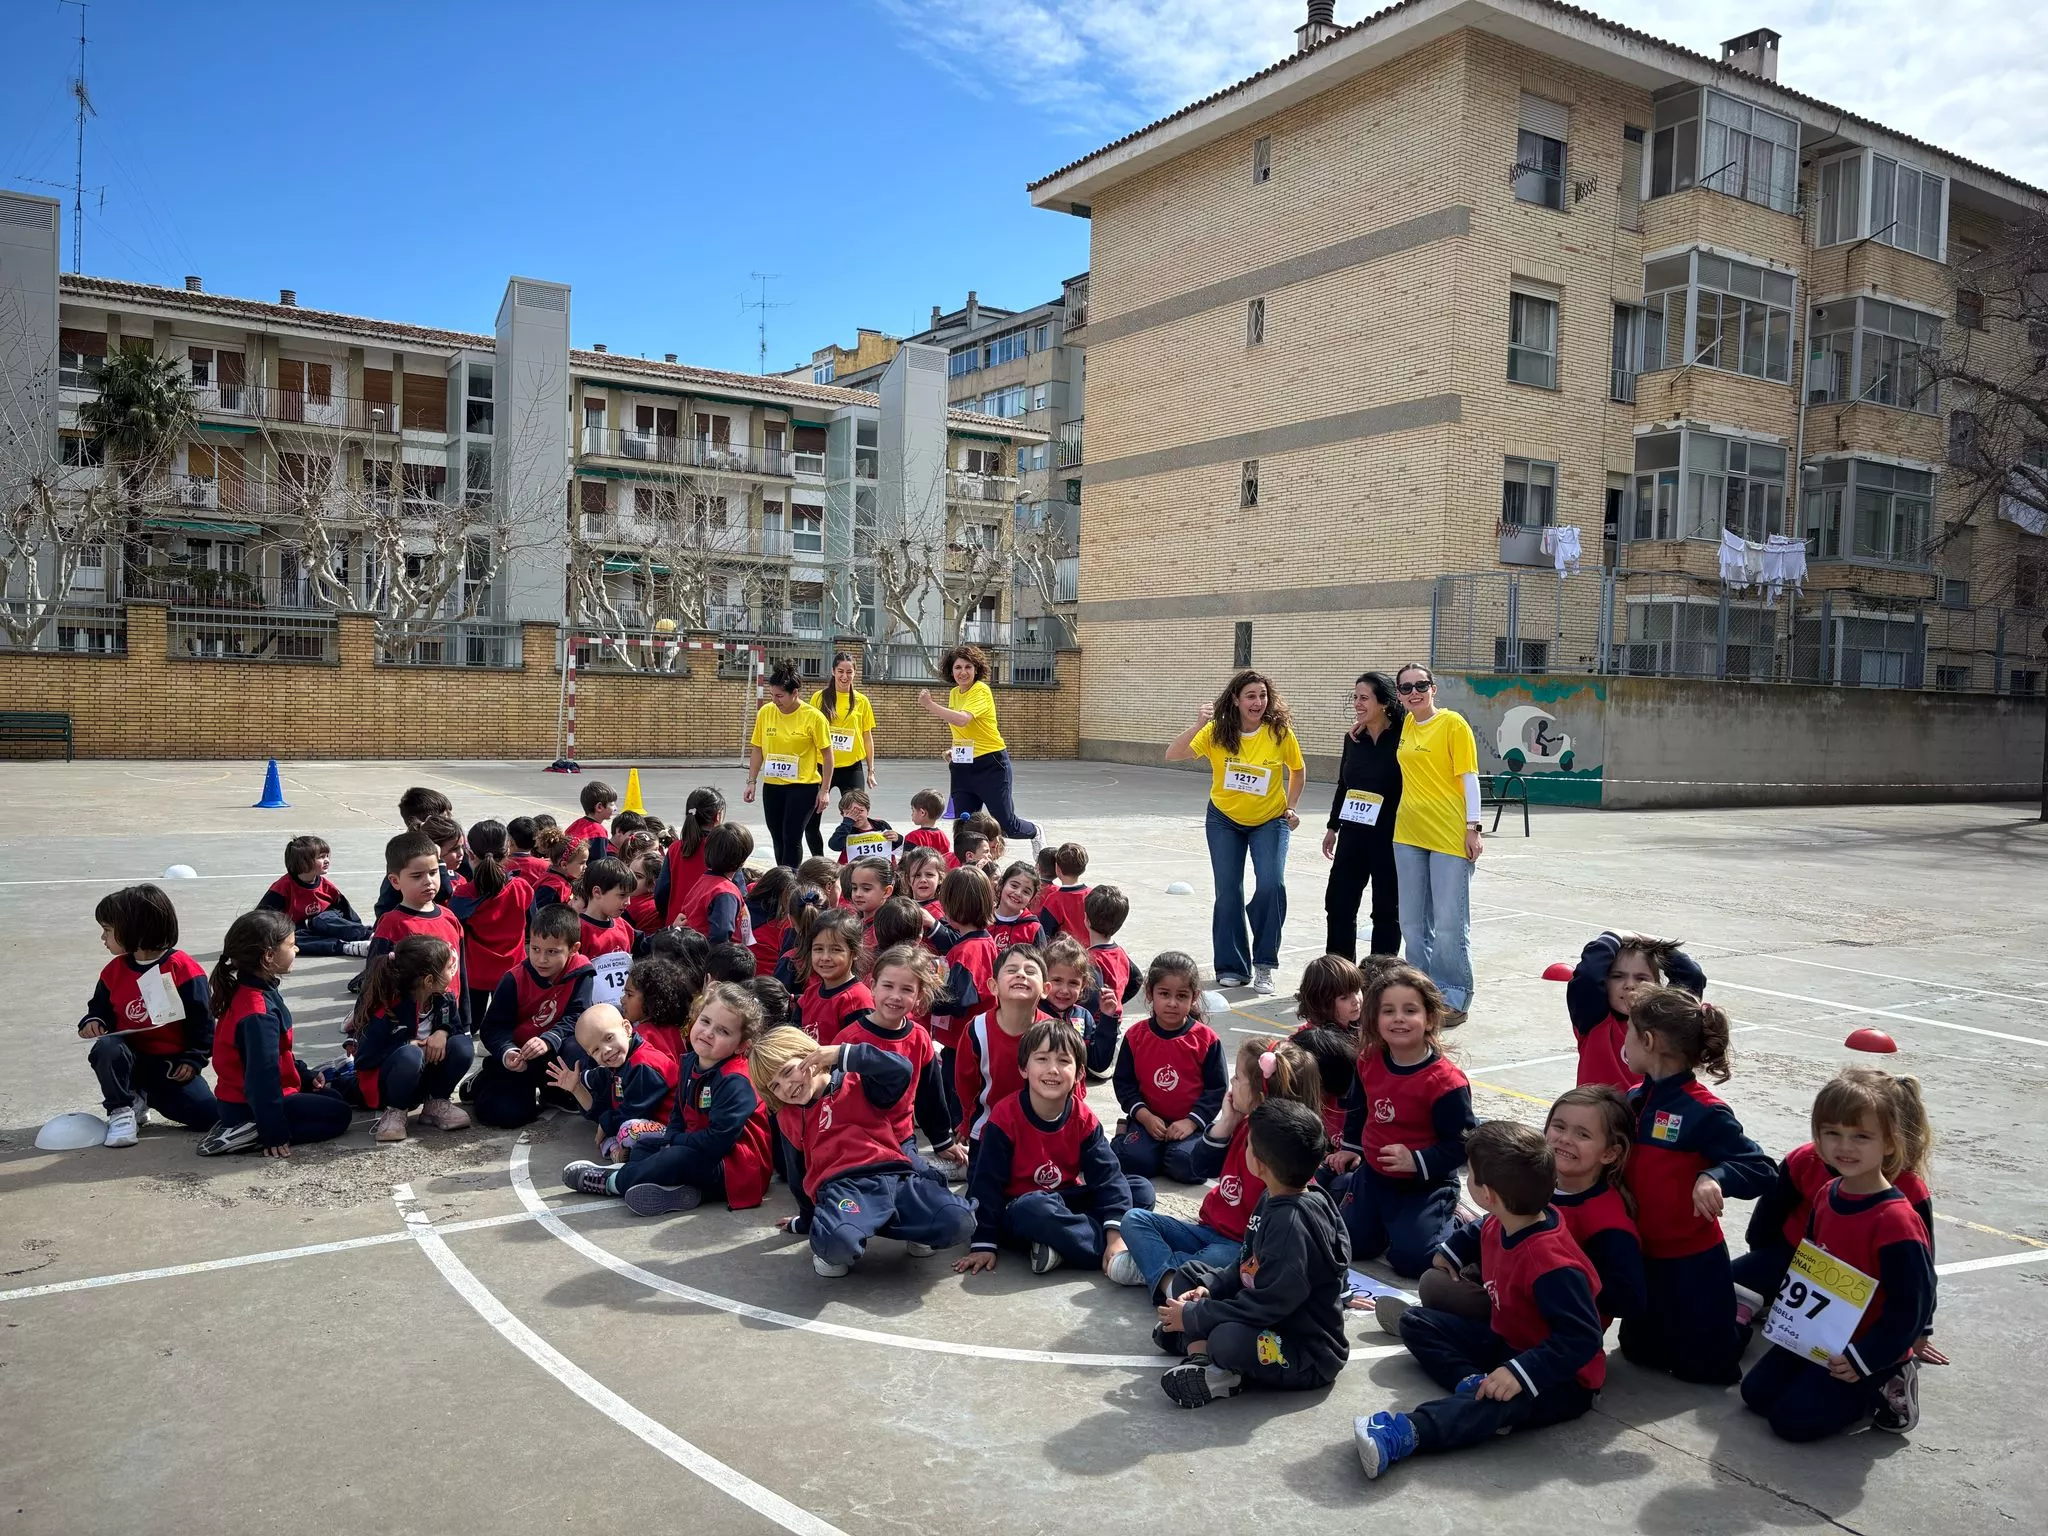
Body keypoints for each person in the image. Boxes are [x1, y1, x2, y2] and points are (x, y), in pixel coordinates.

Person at [1352, 1122, 1605, 1479]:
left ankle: (1408, 1433)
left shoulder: (1551, 1264)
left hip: (1562, 1379)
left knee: (1495, 1404)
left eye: (1468, 1174)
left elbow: (1581, 1339)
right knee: (1417, 1322)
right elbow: (1478, 1229)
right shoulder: (1512, 1217)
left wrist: (1520, 1374)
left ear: (1487, 1194)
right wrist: (1450, 1251)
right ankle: (1473, 1382)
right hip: (1508, 1342)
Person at [1739, 1070, 1937, 1440]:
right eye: (1833, 1133)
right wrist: (1793, 1326)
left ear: (1891, 1143)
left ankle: (1885, 1382)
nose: (1845, 1147)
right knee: (1755, 1395)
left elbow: (1911, 1305)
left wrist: (1867, 1359)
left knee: (1791, 1424)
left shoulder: (1896, 1220)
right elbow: (1811, 1268)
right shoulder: (1827, 1193)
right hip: (1825, 1334)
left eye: (1861, 1137)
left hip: (1865, 1347)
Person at [1377, 1083, 1643, 1332]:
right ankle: (1438, 1323)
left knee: (1436, 1290)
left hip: (1550, 1321)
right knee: (1439, 1278)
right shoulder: (1538, 1178)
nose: (1565, 1139)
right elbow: (1496, 1220)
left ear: (1610, 1153)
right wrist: (1453, 1250)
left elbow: (1628, 1298)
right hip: (1507, 1284)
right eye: (1559, 1127)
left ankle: (1437, 1326)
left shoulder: (1607, 1220)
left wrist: (1557, 1289)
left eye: (1582, 1134)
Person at [1618, 985, 1774, 1384]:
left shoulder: (1704, 1110)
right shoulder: (1634, 1100)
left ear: (1648, 1041)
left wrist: (1714, 1175)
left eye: (1629, 1033)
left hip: (1693, 1261)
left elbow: (1760, 1167)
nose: (1624, 1041)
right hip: (1645, 1254)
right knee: (1639, 1353)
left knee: (1707, 1370)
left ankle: (1738, 1311)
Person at [1154, 1099, 1351, 1409]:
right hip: (1269, 1316)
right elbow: (1247, 1261)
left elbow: (1266, 1307)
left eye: (1247, 1144)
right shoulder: (1271, 1197)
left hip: (1305, 1350)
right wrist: (1211, 1289)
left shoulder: (1291, 1226)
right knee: (1190, 1275)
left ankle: (1212, 1362)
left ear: (1259, 1163)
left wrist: (1197, 1315)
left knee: (1227, 1340)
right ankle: (1199, 1349)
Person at [752, 1027, 976, 1277]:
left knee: (959, 1219)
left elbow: (901, 1070)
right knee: (836, 1244)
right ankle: (841, 1234)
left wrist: (842, 1053)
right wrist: (806, 1220)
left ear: (810, 1055)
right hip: (842, 1190)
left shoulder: (858, 1081)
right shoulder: (789, 1115)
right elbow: (797, 1172)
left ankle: (915, 1231)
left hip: (895, 1177)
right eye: (775, 1086)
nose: (786, 1087)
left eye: (786, 1072)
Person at [1114, 1035, 1320, 1295]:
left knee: (1217, 1264)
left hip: (1239, 1248)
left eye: (1237, 1078)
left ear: (1258, 1095)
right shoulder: (1243, 1124)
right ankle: (1169, 1278)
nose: (1231, 1084)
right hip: (1206, 1231)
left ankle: (1163, 1273)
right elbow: (1199, 1167)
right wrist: (1224, 1125)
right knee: (1134, 1220)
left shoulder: (1284, 1151)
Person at [958, 1019, 1151, 1277]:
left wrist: (1115, 1234)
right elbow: (986, 1184)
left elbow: (1108, 1177)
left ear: (1080, 1074)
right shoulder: (1004, 1118)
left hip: (1065, 1199)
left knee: (1140, 1189)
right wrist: (983, 1242)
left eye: (1063, 1061)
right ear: (1024, 1068)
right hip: (1020, 1208)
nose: (1052, 1070)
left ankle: (1065, 1246)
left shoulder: (1083, 1118)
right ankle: (1104, 1249)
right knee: (1034, 1209)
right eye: (1042, 1059)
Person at [563, 983, 775, 1215]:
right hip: (700, 1153)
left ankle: (613, 1182)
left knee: (674, 1157)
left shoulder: (735, 1080)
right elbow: (678, 1115)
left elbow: (717, 1142)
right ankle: (677, 1190)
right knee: (645, 1146)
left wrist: (675, 1142)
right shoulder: (691, 1061)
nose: (708, 1033)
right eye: (705, 1021)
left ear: (742, 1045)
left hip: (736, 1170)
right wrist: (672, 1138)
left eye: (723, 1031)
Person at [1326, 963, 1475, 1277]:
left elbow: (1461, 1145)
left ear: (1430, 1018)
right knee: (1350, 1245)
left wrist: (1416, 1160)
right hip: (1375, 1175)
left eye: (1410, 1010)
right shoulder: (1368, 1060)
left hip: (1426, 1183)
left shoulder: (1445, 1083)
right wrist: (1353, 1148)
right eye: (1388, 1011)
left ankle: (1457, 1217)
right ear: (1375, 1018)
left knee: (1414, 1261)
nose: (1398, 1018)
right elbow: (1360, 1107)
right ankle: (1380, 1216)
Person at [1165, 668, 1305, 995]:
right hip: (1224, 820)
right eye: (1251, 696)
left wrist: (1292, 806)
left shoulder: (1279, 732)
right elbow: (1173, 753)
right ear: (1236, 700)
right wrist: (1200, 724)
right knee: (1228, 892)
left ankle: (1265, 964)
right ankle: (1231, 966)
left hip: (1270, 819)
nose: (1258, 702)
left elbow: (1297, 770)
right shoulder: (1217, 731)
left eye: (1262, 695)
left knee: (1272, 884)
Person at [198, 911, 353, 1157]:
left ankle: (247, 1125)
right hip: (250, 1105)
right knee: (340, 1116)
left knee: (331, 1095)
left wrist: (302, 1073)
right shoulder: (258, 1012)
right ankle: (251, 1132)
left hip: (242, 1099)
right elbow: (262, 1077)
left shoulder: (254, 988)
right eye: (291, 945)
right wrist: (274, 1130)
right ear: (269, 956)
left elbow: (279, 1052)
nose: (297, 950)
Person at [79, 883, 217, 1146]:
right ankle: (122, 1109)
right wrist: (93, 1021)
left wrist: (193, 1059)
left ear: (135, 928)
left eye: (107, 930)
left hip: (168, 1066)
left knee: (207, 1116)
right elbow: (99, 1008)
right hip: (129, 1060)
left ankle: (146, 1096)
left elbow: (203, 1022)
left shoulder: (183, 969)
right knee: (107, 1047)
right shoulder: (113, 971)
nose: (102, 938)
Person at [1388, 664, 1482, 1022]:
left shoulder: (1453, 724)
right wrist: (1364, 723)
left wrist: (1473, 827)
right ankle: (1421, 992)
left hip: (1447, 834)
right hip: (1408, 833)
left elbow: (1469, 778)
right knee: (1412, 922)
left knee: (1448, 922)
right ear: (1399, 694)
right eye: (1407, 688)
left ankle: (1454, 996)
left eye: (1421, 685)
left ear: (1433, 688)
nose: (1415, 692)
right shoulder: (1408, 723)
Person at [473, 905, 597, 1129]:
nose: (541, 959)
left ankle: (555, 1092)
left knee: (581, 1047)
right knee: (507, 1115)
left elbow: (578, 1016)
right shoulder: (514, 979)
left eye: (552, 952)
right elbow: (492, 1028)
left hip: (553, 1050)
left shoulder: (581, 972)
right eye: (536, 948)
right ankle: (484, 1078)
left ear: (573, 949)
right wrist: (506, 1051)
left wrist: (549, 1039)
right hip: (519, 1056)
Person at [1112, 951, 1226, 1184]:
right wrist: (1144, 1116)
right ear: (1150, 993)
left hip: (1188, 1126)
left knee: (1187, 1166)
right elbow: (1124, 1084)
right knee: (1133, 1162)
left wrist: (1192, 1121)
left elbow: (1216, 1090)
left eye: (1181, 996)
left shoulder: (1206, 1039)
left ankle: (1175, 1151)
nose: (1172, 1003)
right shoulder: (1136, 1036)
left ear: (1194, 997)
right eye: (1164, 994)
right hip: (1148, 1121)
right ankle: (1129, 1136)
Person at [841, 942, 958, 1169]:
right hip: (857, 1141)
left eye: (906, 989)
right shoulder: (850, 1040)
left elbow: (930, 1094)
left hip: (901, 1140)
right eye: (888, 986)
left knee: (926, 1185)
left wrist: (942, 1140)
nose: (895, 996)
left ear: (919, 995)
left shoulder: (920, 1037)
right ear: (873, 987)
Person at [917, 643, 1039, 851]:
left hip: (991, 764)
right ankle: (965, 873)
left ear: (976, 669)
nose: (963, 672)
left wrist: (930, 705)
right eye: (958, 667)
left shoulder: (981, 690)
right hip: (963, 766)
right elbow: (965, 731)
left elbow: (963, 720)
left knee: (1007, 824)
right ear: (951, 670)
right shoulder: (955, 693)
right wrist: (954, 751)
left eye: (968, 667)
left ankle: (1036, 831)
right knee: (964, 825)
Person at [352, 935, 474, 1142]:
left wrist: (443, 1032)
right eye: (448, 968)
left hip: (425, 1078)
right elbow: (364, 1058)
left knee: (462, 1045)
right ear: (428, 981)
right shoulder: (387, 1009)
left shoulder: (443, 998)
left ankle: (436, 1102)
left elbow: (455, 1027)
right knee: (410, 1055)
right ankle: (396, 1111)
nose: (453, 973)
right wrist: (408, 1045)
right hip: (391, 1084)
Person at [1322, 671, 1405, 962]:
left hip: (1390, 836)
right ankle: (1340, 975)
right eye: (1355, 697)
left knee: (1386, 909)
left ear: (1383, 702)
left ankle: (1381, 976)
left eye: (1364, 698)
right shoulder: (1353, 738)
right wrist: (1333, 826)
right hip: (1353, 833)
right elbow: (1344, 784)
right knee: (1338, 903)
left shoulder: (1404, 737)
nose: (1357, 703)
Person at [1566, 929, 1706, 1090]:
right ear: (1604, 983)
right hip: (1601, 1113)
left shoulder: (1667, 1022)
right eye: (1617, 976)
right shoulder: (1593, 1020)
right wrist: (1612, 936)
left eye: (1641, 978)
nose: (1630, 985)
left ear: (1658, 986)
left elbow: (1691, 976)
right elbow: (1588, 976)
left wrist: (1656, 944)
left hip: (1649, 1113)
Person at [365, 831, 468, 1036]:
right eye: (417, 876)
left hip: (447, 1020)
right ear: (395, 881)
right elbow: (374, 979)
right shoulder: (392, 924)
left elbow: (461, 973)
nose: (428, 881)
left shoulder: (449, 918)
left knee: (460, 1054)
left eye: (433, 872)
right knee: (410, 1061)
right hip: (408, 1024)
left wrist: (464, 1023)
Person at [549, 1003, 679, 1160]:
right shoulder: (616, 1065)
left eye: (609, 1038)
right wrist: (577, 1088)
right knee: (614, 1129)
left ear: (627, 1028)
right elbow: (601, 1111)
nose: (606, 1050)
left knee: (627, 1129)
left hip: (672, 1131)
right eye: (595, 1050)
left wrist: (605, 1123)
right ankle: (619, 1152)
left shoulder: (644, 1065)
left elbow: (632, 1112)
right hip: (648, 1127)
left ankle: (625, 1156)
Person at [745, 661, 833, 869]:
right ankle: (782, 877)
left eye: (780, 696)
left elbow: (828, 756)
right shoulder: (766, 712)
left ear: (795, 693)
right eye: (772, 695)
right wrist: (751, 781)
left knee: (791, 836)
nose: (775, 700)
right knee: (777, 836)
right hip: (773, 786)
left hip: (803, 786)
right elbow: (757, 749)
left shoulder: (814, 717)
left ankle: (791, 881)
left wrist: (825, 790)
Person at [449, 820, 535, 1024]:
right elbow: (534, 926)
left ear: (470, 855)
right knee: (503, 1029)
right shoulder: (522, 888)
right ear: (507, 851)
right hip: (511, 974)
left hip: (474, 975)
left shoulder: (463, 894)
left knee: (470, 1025)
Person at [807, 652, 881, 856]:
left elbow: (867, 737)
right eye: (840, 671)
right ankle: (818, 861)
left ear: (855, 673)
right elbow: (810, 734)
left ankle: (854, 861)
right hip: (822, 767)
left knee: (858, 815)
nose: (844, 676)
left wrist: (871, 769)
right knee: (811, 820)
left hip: (852, 767)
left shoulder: (862, 701)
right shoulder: (819, 698)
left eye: (849, 672)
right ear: (833, 671)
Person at [259, 835, 372, 958]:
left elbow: (346, 910)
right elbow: (262, 916)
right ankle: (347, 947)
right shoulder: (283, 887)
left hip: (326, 922)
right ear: (303, 862)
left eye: (327, 856)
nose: (327, 860)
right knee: (288, 940)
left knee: (322, 920)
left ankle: (372, 936)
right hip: (300, 929)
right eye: (321, 857)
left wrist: (357, 930)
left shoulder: (327, 886)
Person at [1078, 885, 1137, 1081]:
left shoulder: (1091, 959)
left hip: (1096, 1029)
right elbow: (1137, 979)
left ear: (1086, 919)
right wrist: (1118, 999)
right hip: (1114, 1025)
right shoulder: (1119, 953)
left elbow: (1091, 1000)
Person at [792, 908, 873, 1046]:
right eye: (818, 949)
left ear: (855, 952)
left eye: (836, 950)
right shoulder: (809, 995)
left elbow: (858, 1055)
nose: (825, 957)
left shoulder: (857, 1000)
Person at [677, 824, 757, 947]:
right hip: (709, 959)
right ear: (742, 859)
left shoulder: (705, 881)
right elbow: (721, 935)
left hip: (692, 951)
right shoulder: (725, 892)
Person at [656, 787, 726, 924]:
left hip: (677, 927)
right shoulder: (723, 849)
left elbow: (661, 893)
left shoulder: (675, 848)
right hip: (710, 929)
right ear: (718, 816)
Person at [825, 788, 900, 865]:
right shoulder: (845, 830)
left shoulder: (880, 825)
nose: (856, 816)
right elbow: (834, 845)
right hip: (853, 871)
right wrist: (847, 822)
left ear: (868, 810)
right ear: (842, 814)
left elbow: (895, 846)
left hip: (880, 870)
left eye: (860, 811)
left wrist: (897, 838)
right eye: (850, 813)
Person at [1035, 843, 1090, 941]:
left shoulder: (1053, 900)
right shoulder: (1093, 895)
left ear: (1057, 868)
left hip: (1065, 953)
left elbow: (1045, 936)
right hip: (1091, 951)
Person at [529, 826, 587, 913]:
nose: (586, 866)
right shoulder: (551, 888)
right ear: (564, 865)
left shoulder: (564, 879)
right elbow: (539, 917)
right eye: (582, 863)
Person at [989, 862, 1045, 947]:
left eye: (1026, 892)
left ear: (1031, 899)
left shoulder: (1033, 929)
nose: (1018, 893)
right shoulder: (982, 920)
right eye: (1014, 886)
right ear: (1001, 885)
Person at [565, 780, 617, 864]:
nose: (615, 808)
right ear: (599, 807)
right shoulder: (599, 832)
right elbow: (600, 864)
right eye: (612, 804)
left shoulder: (576, 824)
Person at [902, 789, 955, 863]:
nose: (912, 814)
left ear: (922, 812)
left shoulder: (912, 837)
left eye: (913, 810)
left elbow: (906, 863)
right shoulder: (943, 836)